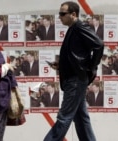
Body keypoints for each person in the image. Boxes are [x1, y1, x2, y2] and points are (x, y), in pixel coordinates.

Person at [43, 1, 104, 141]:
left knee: (64, 117)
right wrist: (62, 64)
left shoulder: (79, 27)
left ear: (74, 14)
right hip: (75, 78)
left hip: (75, 80)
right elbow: (77, 54)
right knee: (81, 118)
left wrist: (90, 67)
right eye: (59, 14)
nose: (60, 17)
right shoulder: (73, 28)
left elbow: (99, 45)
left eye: (63, 14)